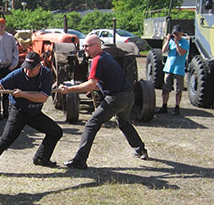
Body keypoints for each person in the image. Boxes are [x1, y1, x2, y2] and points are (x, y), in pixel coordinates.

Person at [0, 52, 63, 179]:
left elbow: (43, 97)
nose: (27, 70)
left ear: (39, 66)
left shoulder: (46, 73)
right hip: (18, 111)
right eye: (26, 67)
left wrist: (23, 94)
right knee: (6, 140)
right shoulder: (18, 74)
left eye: (31, 68)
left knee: (56, 132)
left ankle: (41, 158)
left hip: (34, 112)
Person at [59, 35, 149, 169]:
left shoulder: (97, 60)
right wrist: (93, 87)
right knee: (123, 122)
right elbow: (101, 82)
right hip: (128, 97)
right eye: (83, 46)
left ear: (97, 46)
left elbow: (91, 83)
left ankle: (80, 159)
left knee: (91, 124)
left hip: (116, 98)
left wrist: (69, 89)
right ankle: (140, 149)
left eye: (87, 46)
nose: (84, 49)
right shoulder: (106, 57)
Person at [156, 25, 189, 116]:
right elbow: (163, 51)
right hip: (168, 68)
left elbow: (182, 53)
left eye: (177, 34)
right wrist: (167, 40)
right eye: (174, 34)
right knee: (165, 88)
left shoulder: (184, 42)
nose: (176, 36)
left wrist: (177, 43)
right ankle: (164, 106)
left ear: (181, 33)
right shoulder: (170, 42)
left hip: (178, 69)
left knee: (178, 90)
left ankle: (177, 107)